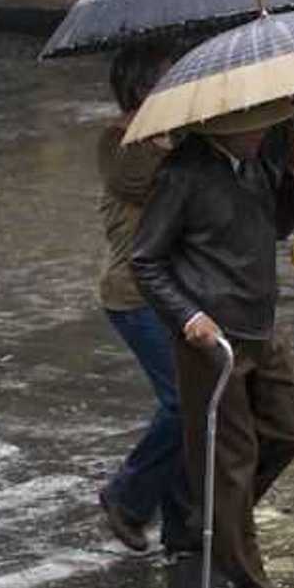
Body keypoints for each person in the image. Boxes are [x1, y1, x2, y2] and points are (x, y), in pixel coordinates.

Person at [131, 99, 294, 588]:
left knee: (288, 433)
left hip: (262, 323)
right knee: (231, 464)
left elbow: (276, 226)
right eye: (250, 128)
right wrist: (189, 316)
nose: (260, 135)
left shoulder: (254, 162)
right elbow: (145, 259)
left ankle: (213, 518)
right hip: (213, 340)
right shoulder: (184, 174)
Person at [95, 42, 195, 554]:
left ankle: (182, 523)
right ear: (142, 88)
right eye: (168, 75)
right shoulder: (120, 141)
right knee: (184, 402)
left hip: (175, 294)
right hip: (134, 296)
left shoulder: (173, 139)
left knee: (197, 404)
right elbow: (146, 186)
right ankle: (127, 496)